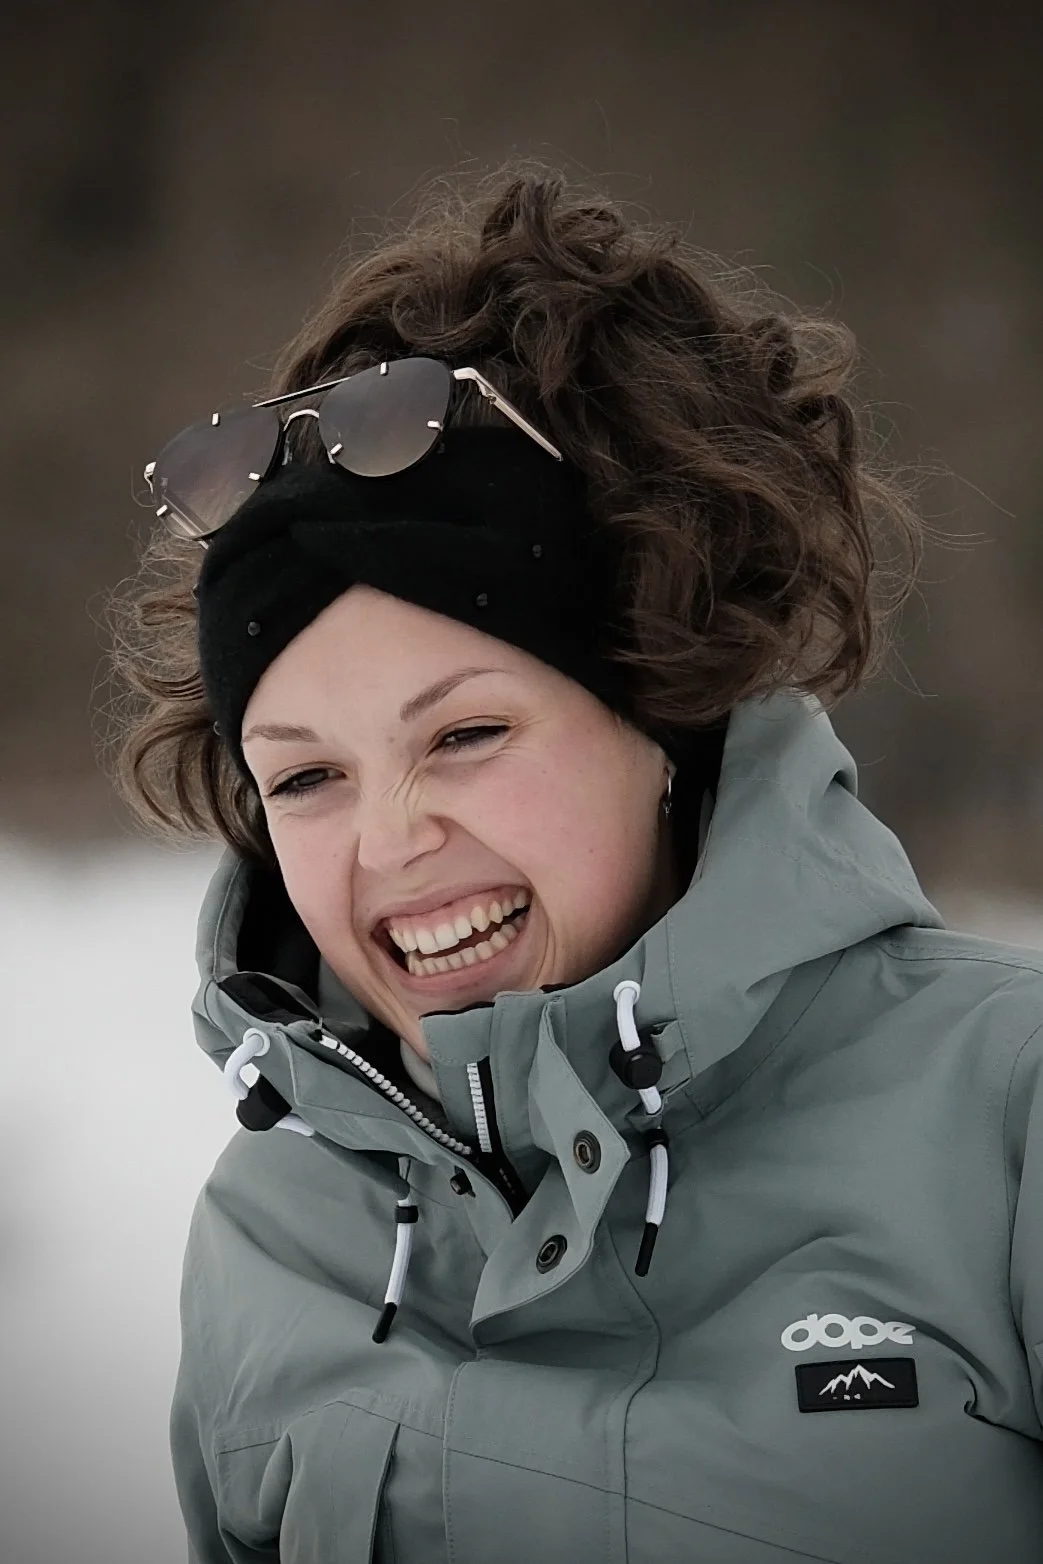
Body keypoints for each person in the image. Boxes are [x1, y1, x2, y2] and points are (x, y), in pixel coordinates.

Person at [102, 165, 1043, 1563]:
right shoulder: (274, 1231)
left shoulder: (1002, 1110)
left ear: (662, 703)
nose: (388, 844)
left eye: (466, 734)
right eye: (304, 776)